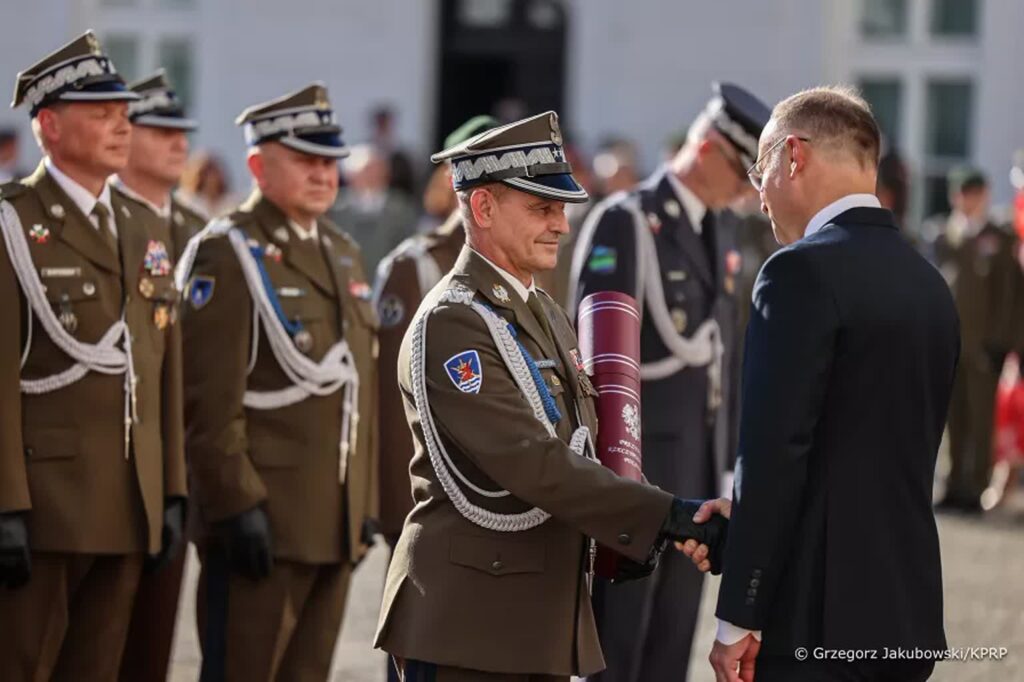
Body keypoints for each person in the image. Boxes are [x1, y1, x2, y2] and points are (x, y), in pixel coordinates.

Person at [373, 111, 728, 681]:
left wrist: (628, 534)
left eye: (561, 208)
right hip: (468, 627)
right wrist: (671, 517)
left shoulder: (542, 312)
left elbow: (583, 445)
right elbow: (531, 461)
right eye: (541, 208)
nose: (561, 225)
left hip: (530, 624)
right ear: (483, 208)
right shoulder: (454, 321)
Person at [685, 85, 960, 682]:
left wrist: (737, 619)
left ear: (794, 156)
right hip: (905, 610)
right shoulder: (928, 283)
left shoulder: (797, 271)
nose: (758, 196)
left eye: (760, 170)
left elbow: (774, 454)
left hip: (816, 617)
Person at [176, 83, 379, 681]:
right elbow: (206, 402)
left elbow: (356, 392)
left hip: (332, 524)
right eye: (306, 160)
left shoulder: (341, 253)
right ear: (259, 166)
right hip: (262, 521)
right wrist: (236, 506)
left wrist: (360, 504)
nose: (323, 174)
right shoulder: (230, 253)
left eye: (330, 161)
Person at [0, 31, 187, 680]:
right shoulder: (12, 223)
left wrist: (170, 490)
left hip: (127, 503)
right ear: (49, 126)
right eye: (101, 114)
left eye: (123, 114)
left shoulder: (143, 226)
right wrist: (6, 503)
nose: (121, 127)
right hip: (43, 506)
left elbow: (162, 366)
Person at [570, 82, 770, 682]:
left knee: (670, 649)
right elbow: (598, 365)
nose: (746, 190)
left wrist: (730, 472)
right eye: (741, 171)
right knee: (618, 649)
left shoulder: (721, 231)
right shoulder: (627, 222)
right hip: (638, 480)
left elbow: (725, 361)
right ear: (707, 147)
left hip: (700, 482)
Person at [112, 68, 207, 682]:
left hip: (181, 471)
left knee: (151, 649)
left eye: (183, 132)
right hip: (107, 466)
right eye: (161, 129)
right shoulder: (103, 221)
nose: (179, 142)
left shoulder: (201, 233)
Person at [923, 167, 1024, 514]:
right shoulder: (943, 236)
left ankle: (974, 485)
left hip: (983, 346)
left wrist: (1001, 343)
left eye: (973, 193)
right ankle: (951, 483)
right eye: (962, 193)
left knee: (981, 419)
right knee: (954, 418)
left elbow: (1008, 297)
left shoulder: (998, 239)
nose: (967, 200)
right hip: (950, 344)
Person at [327, 143, 418, 274]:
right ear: (351, 175)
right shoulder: (335, 207)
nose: (372, 176)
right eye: (366, 170)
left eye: (377, 169)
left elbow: (409, 247)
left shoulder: (401, 207)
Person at [178, 150, 240, 218]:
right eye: (206, 174)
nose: (210, 179)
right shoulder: (186, 201)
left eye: (214, 174)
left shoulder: (232, 201)